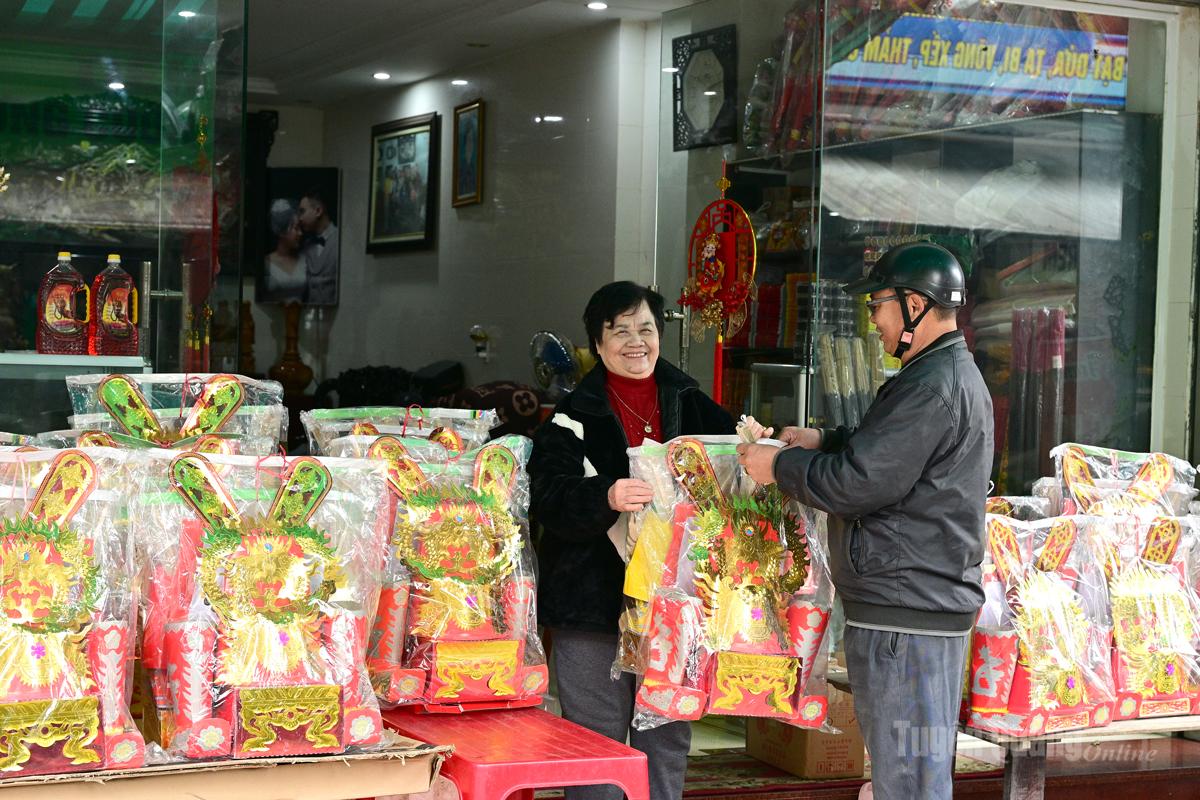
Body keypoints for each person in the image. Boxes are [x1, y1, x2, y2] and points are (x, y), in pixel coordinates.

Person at [736, 242, 993, 800]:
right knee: (911, 776)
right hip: (916, 608)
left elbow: (860, 483)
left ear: (916, 305)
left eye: (879, 304)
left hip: (907, 615)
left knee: (908, 781)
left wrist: (777, 463)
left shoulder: (931, 384)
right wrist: (825, 440)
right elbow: (893, 459)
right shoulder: (941, 373)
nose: (872, 319)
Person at [529, 282, 734, 800]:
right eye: (619, 331)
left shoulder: (694, 406)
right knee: (595, 744)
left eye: (645, 328)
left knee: (666, 737)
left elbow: (736, 474)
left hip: (676, 608)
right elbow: (547, 500)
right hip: (592, 606)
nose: (635, 341)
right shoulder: (571, 417)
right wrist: (606, 495)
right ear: (597, 344)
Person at [298, 188, 338, 305]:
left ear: (318, 211)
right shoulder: (306, 245)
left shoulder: (342, 241)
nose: (300, 218)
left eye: (302, 211)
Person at [263, 198, 306, 303]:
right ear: (282, 231)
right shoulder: (266, 263)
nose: (300, 233)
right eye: (296, 228)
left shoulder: (304, 260)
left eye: (300, 228)